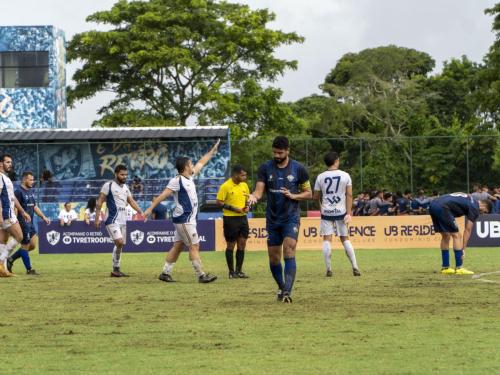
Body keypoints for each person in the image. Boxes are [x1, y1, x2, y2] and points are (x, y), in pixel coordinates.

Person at [144, 140, 220, 284]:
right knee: (194, 245)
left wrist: (212, 152)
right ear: (186, 167)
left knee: (178, 246)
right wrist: (150, 209)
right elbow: (163, 195)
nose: (193, 165)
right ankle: (201, 275)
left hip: (186, 219)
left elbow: (201, 163)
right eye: (191, 164)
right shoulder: (177, 180)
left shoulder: (189, 177)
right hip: (185, 219)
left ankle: (165, 273)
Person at [247, 136, 312, 303]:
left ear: (287, 151)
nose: (276, 155)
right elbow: (259, 191)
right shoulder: (265, 168)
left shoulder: (298, 169)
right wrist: (254, 197)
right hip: (272, 219)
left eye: (280, 152)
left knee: (289, 249)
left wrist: (294, 195)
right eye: (274, 152)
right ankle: (282, 287)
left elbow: (309, 193)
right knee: (274, 258)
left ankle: (287, 293)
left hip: (291, 217)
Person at [313, 151, 360, 277]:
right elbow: (349, 195)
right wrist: (349, 213)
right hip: (341, 212)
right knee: (345, 238)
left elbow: (316, 196)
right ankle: (355, 266)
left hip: (326, 212)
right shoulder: (345, 175)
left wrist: (321, 207)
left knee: (327, 239)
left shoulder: (320, 177)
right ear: (336, 160)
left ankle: (329, 269)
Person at [95, 164, 144, 277]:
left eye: (126, 175)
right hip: (112, 219)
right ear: (116, 174)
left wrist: (141, 212)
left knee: (120, 245)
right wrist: (97, 218)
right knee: (120, 242)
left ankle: (116, 269)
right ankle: (115, 269)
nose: (124, 177)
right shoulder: (108, 185)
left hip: (123, 220)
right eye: (122, 174)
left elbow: (131, 201)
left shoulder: (125, 187)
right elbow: (99, 202)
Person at [429, 192, 491, 275]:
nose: (482, 213)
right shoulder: (475, 208)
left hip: (433, 204)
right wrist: (463, 249)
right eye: (485, 211)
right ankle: (459, 267)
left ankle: (445, 267)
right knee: (457, 236)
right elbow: (467, 230)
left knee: (446, 236)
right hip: (443, 207)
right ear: (484, 205)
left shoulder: (470, 198)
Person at [7, 171, 51, 275]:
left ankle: (11, 259)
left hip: (30, 223)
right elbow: (15, 206)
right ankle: (29, 269)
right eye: (30, 179)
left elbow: (34, 206)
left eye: (33, 179)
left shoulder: (30, 191)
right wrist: (15, 219)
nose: (32, 181)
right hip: (23, 222)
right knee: (25, 245)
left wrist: (43, 217)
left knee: (32, 245)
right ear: (24, 179)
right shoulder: (18, 191)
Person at [216, 164, 250, 279]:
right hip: (230, 219)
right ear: (235, 175)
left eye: (245, 175)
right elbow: (219, 202)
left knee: (242, 244)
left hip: (243, 218)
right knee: (231, 245)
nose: (244, 177)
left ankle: (239, 271)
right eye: (242, 175)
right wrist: (233, 208)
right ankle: (231, 272)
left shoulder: (244, 185)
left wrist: (247, 206)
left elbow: (247, 199)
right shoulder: (225, 186)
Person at [0, 154, 32, 277]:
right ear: (1, 163)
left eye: (11, 162)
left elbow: (12, 197)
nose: (10, 164)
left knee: (3, 240)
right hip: (6, 213)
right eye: (7, 162)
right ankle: (1, 262)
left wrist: (23, 212)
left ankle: (2, 271)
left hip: (8, 212)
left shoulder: (5, 178)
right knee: (19, 236)